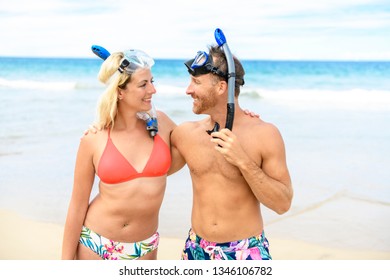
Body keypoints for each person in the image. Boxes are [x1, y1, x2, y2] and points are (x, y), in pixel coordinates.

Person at [169, 45, 293, 260]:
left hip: (244, 251)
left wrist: (243, 161)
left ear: (221, 87)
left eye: (196, 82)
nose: (188, 90)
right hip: (195, 249)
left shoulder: (265, 134)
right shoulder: (186, 134)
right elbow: (149, 169)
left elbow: (282, 204)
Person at [61, 49, 177, 260]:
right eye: (143, 84)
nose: (153, 89)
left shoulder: (163, 124)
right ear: (120, 91)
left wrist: (241, 119)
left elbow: (198, 143)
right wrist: (65, 264)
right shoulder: (93, 138)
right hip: (97, 244)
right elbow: (77, 206)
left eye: (152, 81)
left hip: (145, 247)